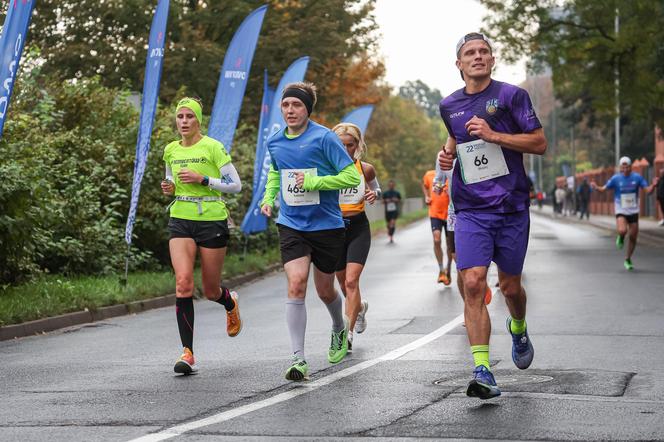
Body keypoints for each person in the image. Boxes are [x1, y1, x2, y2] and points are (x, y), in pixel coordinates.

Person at [438, 32, 547, 400]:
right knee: (472, 282)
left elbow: (539, 142)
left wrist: (495, 136)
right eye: (470, 52)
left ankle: (518, 326)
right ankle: (482, 369)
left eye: (484, 51)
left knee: (511, 288)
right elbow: (456, 139)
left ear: (492, 59)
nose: (478, 56)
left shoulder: (511, 96)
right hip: (470, 209)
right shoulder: (448, 105)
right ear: (460, 64)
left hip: (512, 207)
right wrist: (446, 156)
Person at [260, 82, 361, 381]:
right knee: (296, 282)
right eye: (286, 105)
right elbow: (276, 172)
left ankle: (338, 327)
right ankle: (298, 358)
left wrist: (316, 183)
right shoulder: (276, 142)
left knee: (325, 290)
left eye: (297, 105)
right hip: (291, 223)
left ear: (307, 109)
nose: (290, 111)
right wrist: (268, 198)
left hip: (327, 225)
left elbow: (348, 176)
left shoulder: (325, 138)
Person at [161, 97, 243, 375]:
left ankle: (228, 301)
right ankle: (188, 353)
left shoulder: (213, 147)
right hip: (181, 218)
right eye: (180, 117)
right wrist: (169, 188)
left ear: (198, 120)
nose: (183, 121)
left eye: (189, 117)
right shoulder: (171, 149)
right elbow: (171, 180)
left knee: (210, 290)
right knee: (183, 283)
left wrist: (204, 180)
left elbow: (235, 185)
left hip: (211, 219)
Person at [333, 123, 381, 352]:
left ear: (357, 145)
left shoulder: (366, 169)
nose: (345, 149)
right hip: (333, 230)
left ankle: (347, 334)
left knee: (352, 281)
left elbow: (375, 188)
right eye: (340, 145)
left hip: (358, 228)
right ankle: (359, 307)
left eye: (349, 145)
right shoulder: (326, 169)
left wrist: (374, 193)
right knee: (343, 283)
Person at [591, 156, 659, 270]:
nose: (626, 169)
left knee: (633, 237)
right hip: (621, 209)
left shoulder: (637, 178)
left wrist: (653, 185)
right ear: (620, 168)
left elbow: (648, 191)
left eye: (627, 167)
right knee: (623, 230)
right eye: (623, 167)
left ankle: (628, 259)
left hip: (633, 210)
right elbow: (603, 189)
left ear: (631, 167)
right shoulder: (615, 179)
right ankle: (621, 236)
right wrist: (596, 187)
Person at [422, 169, 452, 284]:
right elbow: (424, 185)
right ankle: (441, 270)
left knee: (450, 245)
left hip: (450, 214)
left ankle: (448, 268)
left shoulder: (452, 173)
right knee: (437, 239)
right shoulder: (429, 174)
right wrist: (426, 196)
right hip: (435, 213)